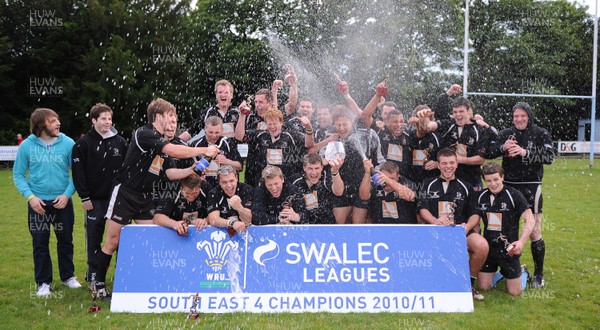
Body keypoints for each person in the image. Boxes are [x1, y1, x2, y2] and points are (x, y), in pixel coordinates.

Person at [93, 98, 219, 300]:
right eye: (169, 115)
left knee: (153, 237)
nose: (172, 120)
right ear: (158, 116)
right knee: (113, 241)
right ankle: (98, 286)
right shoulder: (146, 133)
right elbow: (173, 150)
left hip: (145, 197)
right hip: (125, 193)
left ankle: (142, 280)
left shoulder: (162, 141)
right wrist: (203, 149)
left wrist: (193, 170)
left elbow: (170, 173)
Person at [13, 108, 82, 297]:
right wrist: (31, 197)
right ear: (41, 124)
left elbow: (77, 173)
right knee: (40, 243)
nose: (58, 123)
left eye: (57, 120)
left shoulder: (68, 143)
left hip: (62, 202)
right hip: (38, 204)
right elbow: (18, 174)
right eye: (53, 121)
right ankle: (44, 283)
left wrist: (67, 194)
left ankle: (68, 277)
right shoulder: (27, 146)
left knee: (66, 241)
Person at [489, 102, 555, 288]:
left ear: (529, 117)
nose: (519, 119)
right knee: (505, 230)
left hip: (531, 186)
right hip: (508, 186)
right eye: (516, 116)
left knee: (534, 230)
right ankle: (507, 270)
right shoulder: (506, 133)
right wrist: (503, 148)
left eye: (522, 116)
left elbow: (549, 157)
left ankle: (539, 275)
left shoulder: (540, 133)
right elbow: (489, 152)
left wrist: (525, 152)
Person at [417, 148, 489, 301]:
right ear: (438, 165)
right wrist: (435, 221)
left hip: (459, 231)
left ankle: (468, 285)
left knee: (482, 245)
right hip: (435, 230)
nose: (448, 166)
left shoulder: (467, 187)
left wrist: (467, 228)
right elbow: (422, 209)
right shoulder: (426, 184)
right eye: (444, 163)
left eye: (451, 163)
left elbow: (475, 214)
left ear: (457, 164)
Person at [72, 103, 128, 287]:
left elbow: (126, 169)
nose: (107, 122)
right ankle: (93, 276)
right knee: (94, 239)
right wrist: (85, 197)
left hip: (117, 200)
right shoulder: (83, 143)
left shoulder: (120, 142)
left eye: (109, 118)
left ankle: (121, 275)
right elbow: (78, 173)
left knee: (119, 239)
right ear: (94, 120)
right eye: (103, 118)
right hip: (94, 201)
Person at [475, 163, 534, 296]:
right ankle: (500, 274)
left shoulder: (514, 195)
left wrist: (521, 242)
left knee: (515, 293)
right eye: (489, 181)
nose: (493, 184)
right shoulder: (480, 196)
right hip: (488, 249)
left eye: (496, 179)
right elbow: (475, 222)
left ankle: (523, 273)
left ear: (502, 177)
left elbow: (530, 220)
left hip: (509, 250)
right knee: (484, 287)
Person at [417, 97, 498, 191]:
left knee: (472, 205)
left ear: (469, 111)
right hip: (449, 180)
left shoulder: (479, 130)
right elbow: (429, 126)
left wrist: (460, 160)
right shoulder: (449, 125)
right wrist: (424, 119)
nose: (458, 115)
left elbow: (480, 159)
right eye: (455, 112)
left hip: (472, 181)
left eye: (461, 111)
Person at [329, 106, 385, 224]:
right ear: (333, 125)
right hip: (342, 188)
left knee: (358, 228)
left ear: (352, 122)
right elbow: (324, 160)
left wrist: (374, 177)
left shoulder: (369, 135)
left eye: (345, 124)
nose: (341, 128)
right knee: (337, 226)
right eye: (338, 125)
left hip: (363, 186)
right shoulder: (332, 140)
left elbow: (381, 161)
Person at [243, 108, 313, 186]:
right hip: (265, 183)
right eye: (269, 124)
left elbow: (308, 144)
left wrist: (308, 128)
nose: (272, 127)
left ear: (281, 122)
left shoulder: (290, 136)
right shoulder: (260, 136)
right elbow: (240, 136)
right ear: (266, 124)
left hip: (285, 183)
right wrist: (241, 115)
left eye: (275, 123)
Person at [289, 154, 344, 224]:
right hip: (302, 224)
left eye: (317, 168)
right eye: (310, 168)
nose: (314, 172)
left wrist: (335, 172)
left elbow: (339, 192)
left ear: (322, 167)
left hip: (325, 225)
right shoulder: (295, 181)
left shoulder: (326, 177)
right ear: (304, 168)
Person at [191, 116, 242, 188]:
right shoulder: (195, 145)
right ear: (205, 129)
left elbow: (240, 167)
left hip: (225, 187)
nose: (214, 136)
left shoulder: (228, 143)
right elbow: (189, 169)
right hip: (202, 186)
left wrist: (226, 161)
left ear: (222, 130)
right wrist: (198, 176)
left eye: (217, 132)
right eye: (210, 132)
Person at [206, 165, 254, 233]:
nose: (229, 185)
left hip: (246, 232)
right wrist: (231, 223)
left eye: (231, 181)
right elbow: (213, 220)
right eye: (224, 182)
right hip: (223, 233)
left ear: (236, 178)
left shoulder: (247, 190)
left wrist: (239, 208)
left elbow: (249, 219)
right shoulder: (214, 193)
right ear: (219, 182)